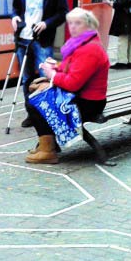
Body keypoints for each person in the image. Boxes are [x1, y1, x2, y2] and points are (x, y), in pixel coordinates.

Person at [25, 8, 109, 164]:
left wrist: (52, 75)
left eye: (78, 23)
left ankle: (48, 150)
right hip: (82, 97)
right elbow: (69, 68)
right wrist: (54, 67)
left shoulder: (90, 49)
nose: (73, 27)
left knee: (36, 103)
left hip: (89, 103)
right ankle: (46, 145)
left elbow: (73, 83)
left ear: (88, 25)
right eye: (70, 23)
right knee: (36, 97)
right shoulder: (81, 42)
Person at [11, 0, 69, 127]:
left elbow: (63, 13)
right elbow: (15, 9)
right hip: (23, 39)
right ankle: (31, 113)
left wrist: (46, 23)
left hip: (42, 40)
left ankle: (48, 113)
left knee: (45, 77)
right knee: (26, 78)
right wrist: (14, 18)